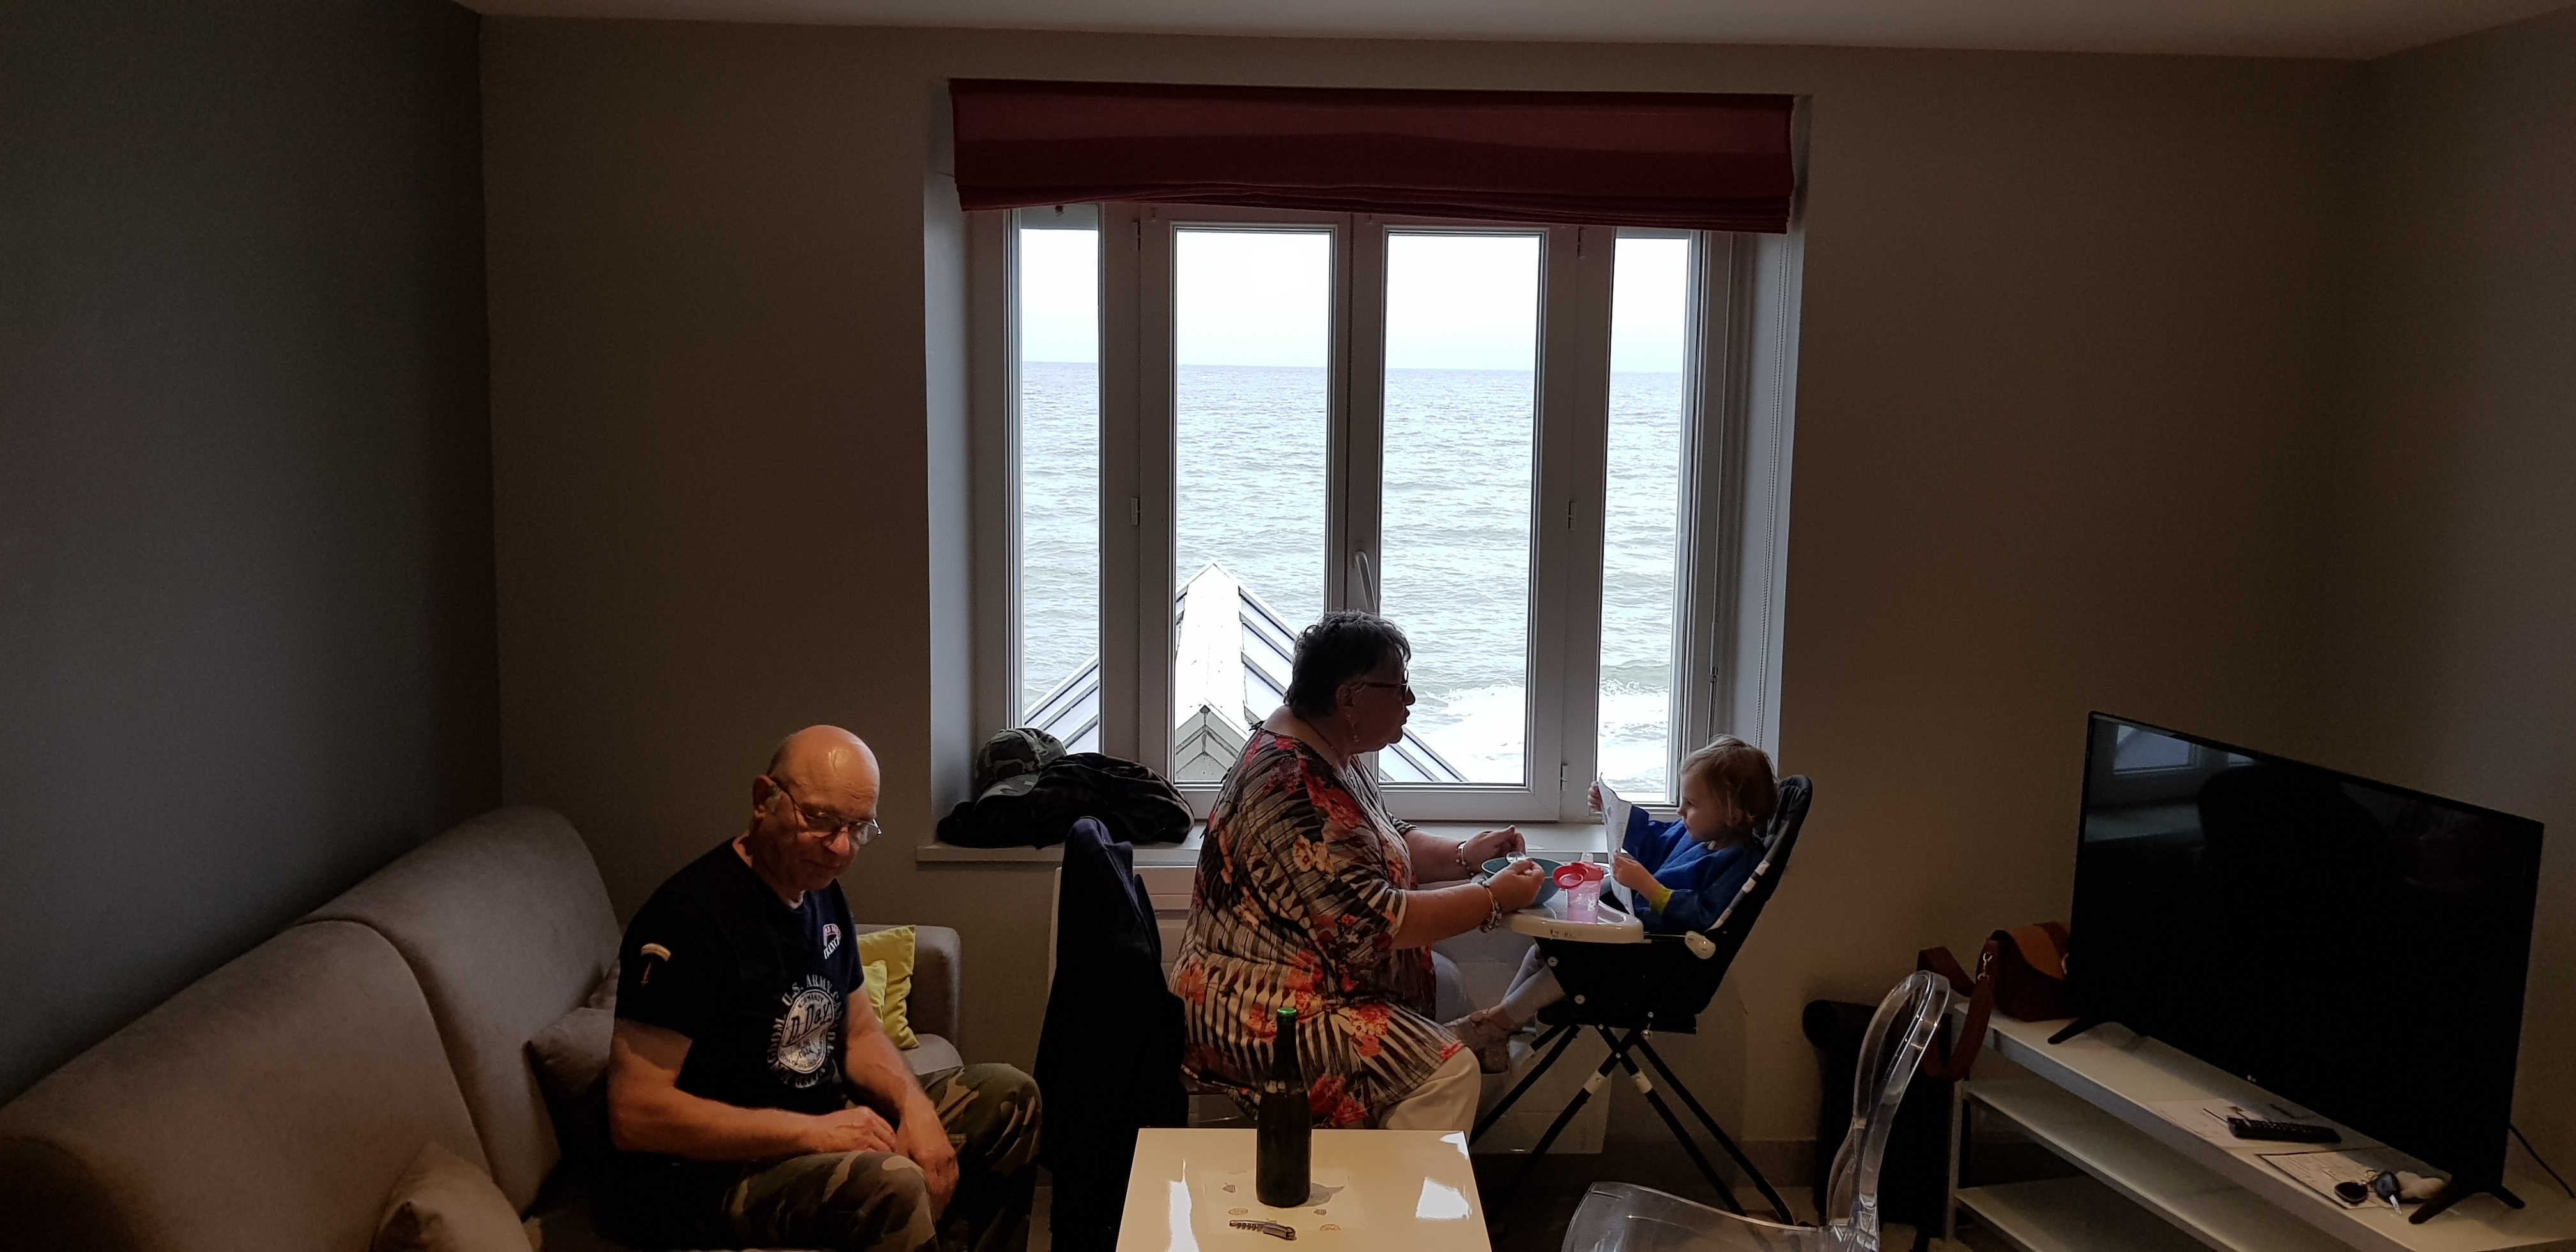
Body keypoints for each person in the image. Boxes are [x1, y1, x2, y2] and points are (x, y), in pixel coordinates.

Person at [602, 726, 1040, 1252]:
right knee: (894, 1183)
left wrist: (916, 1110)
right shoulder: (687, 922)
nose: (840, 848)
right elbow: (636, 1113)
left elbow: (859, 1033)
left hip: (819, 1122)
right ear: (764, 799)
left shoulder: (820, 894)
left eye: (858, 828)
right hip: (712, 1178)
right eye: (821, 820)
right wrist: (817, 1134)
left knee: (1011, 1096)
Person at [1172, 611, 1549, 1133]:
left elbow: (1386, 837)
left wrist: (1466, 855)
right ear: (1349, 698)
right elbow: (1376, 924)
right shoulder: (1294, 786)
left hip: (1304, 984)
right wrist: (1493, 897)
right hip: (1265, 1010)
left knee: (1447, 986)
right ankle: (1398, 1185)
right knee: (1450, 1073)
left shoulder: (1328, 752)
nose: (1410, 700)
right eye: (1398, 687)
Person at [1445, 735, 1780, 1071]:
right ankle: (1504, 1028)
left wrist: (1648, 887)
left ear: (1733, 813)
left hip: (1654, 961)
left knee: (1574, 968)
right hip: (1633, 942)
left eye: (1692, 804)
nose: (1681, 811)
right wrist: (1616, 811)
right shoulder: (1694, 834)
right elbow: (1657, 839)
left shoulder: (1739, 861)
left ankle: (1495, 1022)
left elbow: (1702, 915)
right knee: (1545, 952)